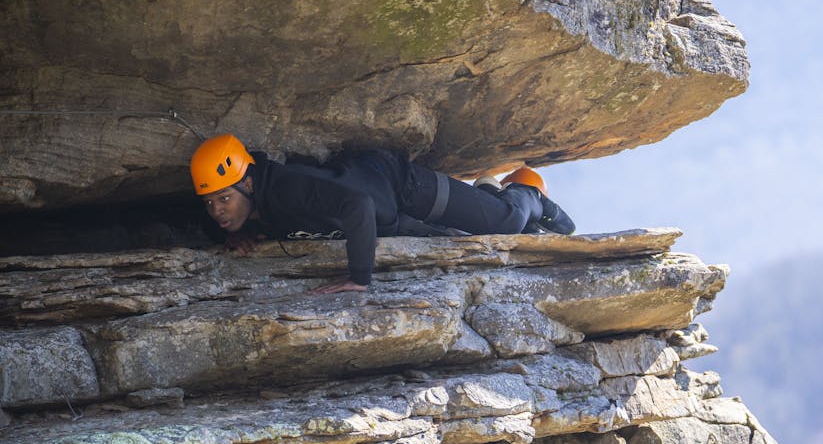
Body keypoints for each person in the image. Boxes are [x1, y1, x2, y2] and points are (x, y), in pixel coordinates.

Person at [190, 133, 575, 294]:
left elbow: (356, 205)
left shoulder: (286, 187)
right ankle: (489, 192)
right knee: (472, 243)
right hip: (392, 221)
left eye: (223, 199)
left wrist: (360, 278)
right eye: (210, 204)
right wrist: (233, 235)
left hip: (403, 188)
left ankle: (526, 188)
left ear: (249, 185)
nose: (217, 211)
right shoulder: (257, 209)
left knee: (507, 225)